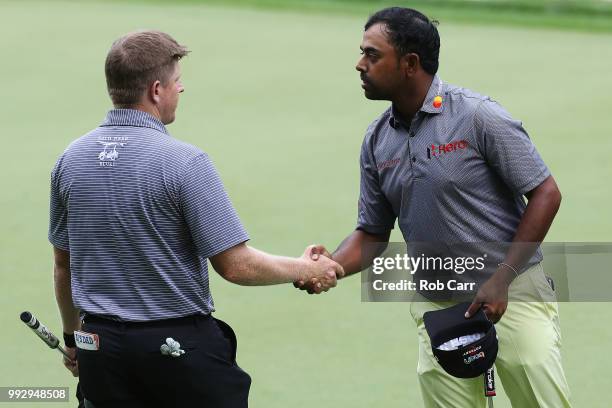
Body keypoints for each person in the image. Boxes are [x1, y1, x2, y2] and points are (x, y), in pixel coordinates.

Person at [49, 30, 343, 408]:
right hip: (175, 351)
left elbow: (63, 263)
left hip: (100, 349)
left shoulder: (69, 159)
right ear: (156, 90)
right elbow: (236, 266)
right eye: (177, 82)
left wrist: (74, 339)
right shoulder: (185, 162)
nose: (181, 89)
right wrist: (305, 268)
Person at [295, 7, 571, 408]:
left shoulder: (477, 116)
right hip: (438, 309)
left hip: (513, 294)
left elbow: (546, 192)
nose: (360, 64)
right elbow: (373, 233)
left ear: (409, 64)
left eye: (373, 55)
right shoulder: (376, 140)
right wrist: (329, 266)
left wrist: (502, 277)